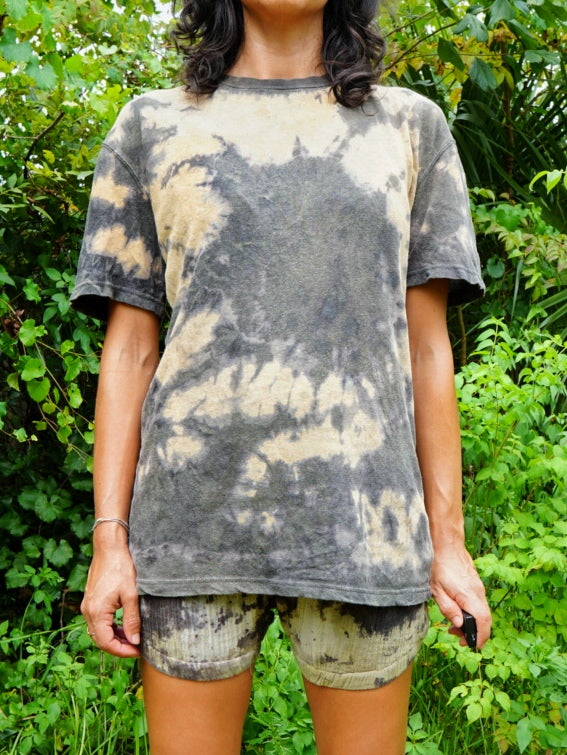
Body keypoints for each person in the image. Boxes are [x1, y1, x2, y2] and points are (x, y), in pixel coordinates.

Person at [72, 1, 492, 752]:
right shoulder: (151, 126)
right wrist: (111, 542)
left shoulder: (410, 128)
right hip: (189, 532)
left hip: (364, 531)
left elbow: (428, 350)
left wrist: (449, 542)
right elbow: (130, 348)